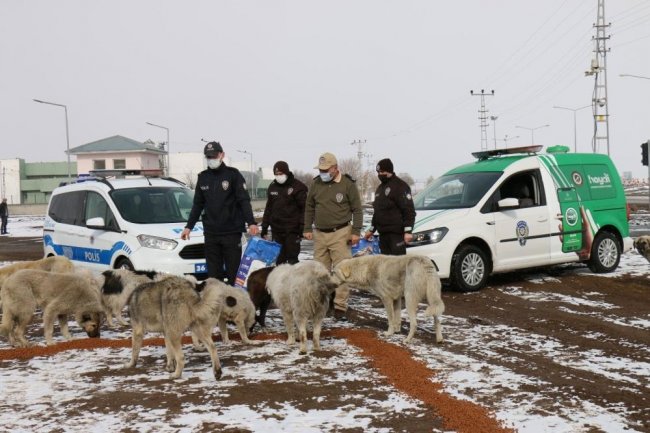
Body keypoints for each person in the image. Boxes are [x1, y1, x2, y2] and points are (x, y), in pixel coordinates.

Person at [181, 141, 258, 285]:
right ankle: (217, 305)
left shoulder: (233, 175)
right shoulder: (203, 177)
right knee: (213, 277)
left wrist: (251, 222)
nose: (211, 159)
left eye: (214, 156)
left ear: (222, 155)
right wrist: (188, 226)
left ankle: (234, 305)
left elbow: (243, 201)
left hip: (231, 232)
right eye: (208, 157)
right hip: (211, 233)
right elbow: (197, 204)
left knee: (233, 274)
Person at [303, 152, 363, 321]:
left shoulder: (347, 184)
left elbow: (357, 209)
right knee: (319, 272)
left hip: (341, 233)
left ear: (336, 168)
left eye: (326, 169)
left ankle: (340, 307)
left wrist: (356, 232)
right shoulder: (316, 183)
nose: (322, 172)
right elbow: (309, 207)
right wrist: (307, 227)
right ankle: (321, 304)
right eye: (320, 169)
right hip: (320, 234)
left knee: (342, 271)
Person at [364, 158, 415, 255]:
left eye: (382, 171)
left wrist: (408, 231)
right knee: (385, 266)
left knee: (397, 265)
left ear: (389, 171)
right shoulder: (380, 188)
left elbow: (408, 210)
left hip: (396, 234)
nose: (379, 174)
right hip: (383, 234)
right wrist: (371, 229)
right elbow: (378, 211)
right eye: (378, 172)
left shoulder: (400, 186)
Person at [260, 161, 308, 264]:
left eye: (280, 174)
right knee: (279, 260)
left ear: (286, 172)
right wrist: (264, 227)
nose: (278, 176)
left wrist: (302, 228)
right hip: (277, 231)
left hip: (292, 231)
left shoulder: (298, 187)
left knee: (292, 261)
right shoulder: (272, 187)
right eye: (276, 174)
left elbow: (304, 209)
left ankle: (293, 280)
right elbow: (268, 208)